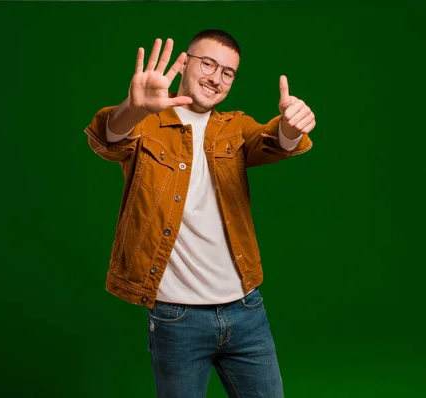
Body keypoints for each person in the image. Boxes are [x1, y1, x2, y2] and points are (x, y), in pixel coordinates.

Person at [83, 29, 315, 398]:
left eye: (227, 72)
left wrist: (289, 129)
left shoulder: (234, 127)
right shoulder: (146, 122)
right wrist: (133, 109)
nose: (216, 77)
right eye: (208, 64)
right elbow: (107, 138)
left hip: (246, 311)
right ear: (185, 64)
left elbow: (272, 141)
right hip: (177, 319)